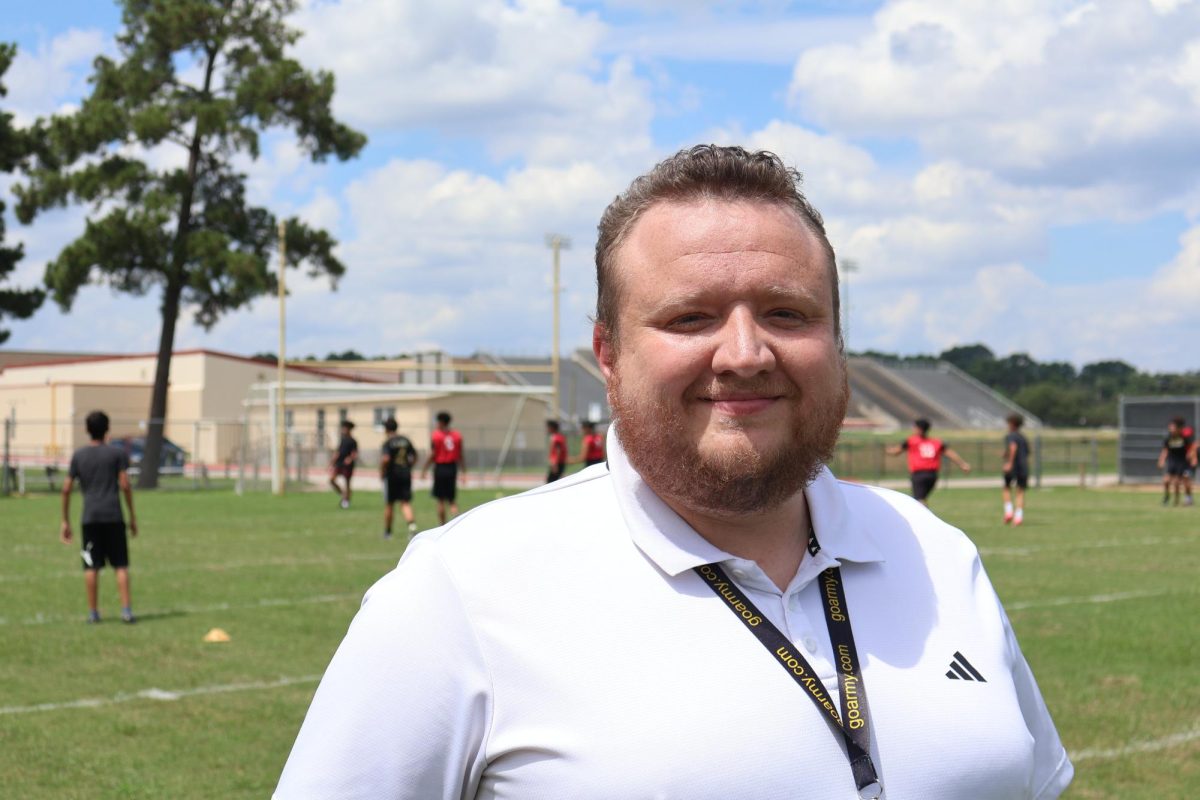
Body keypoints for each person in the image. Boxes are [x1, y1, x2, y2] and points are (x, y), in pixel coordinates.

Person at [276, 145, 1072, 799]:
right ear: (609, 355)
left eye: (787, 313)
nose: (746, 354)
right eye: (690, 317)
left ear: (837, 341)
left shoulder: (936, 554)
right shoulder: (460, 593)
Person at [60, 410, 139, 624]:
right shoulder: (117, 455)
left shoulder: (79, 456)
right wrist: (132, 515)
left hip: (90, 517)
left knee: (91, 565)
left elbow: (66, 489)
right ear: (107, 429)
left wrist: (65, 520)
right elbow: (125, 484)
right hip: (114, 515)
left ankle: (94, 613)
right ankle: (126, 611)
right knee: (120, 564)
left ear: (87, 430)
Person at [886, 418, 971, 505]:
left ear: (918, 428)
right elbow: (950, 453)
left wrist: (888, 450)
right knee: (921, 499)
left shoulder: (912, 440)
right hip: (932, 475)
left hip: (919, 475)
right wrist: (962, 464)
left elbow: (895, 452)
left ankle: (923, 517)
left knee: (919, 501)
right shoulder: (936, 442)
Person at [421, 411, 464, 525]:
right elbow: (460, 455)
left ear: (441, 422)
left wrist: (424, 468)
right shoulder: (457, 435)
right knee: (451, 500)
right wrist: (464, 471)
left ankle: (442, 526)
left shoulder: (436, 435)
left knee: (440, 500)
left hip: (440, 468)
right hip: (452, 468)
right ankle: (457, 522)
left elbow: (433, 454)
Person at [380, 417, 418, 539]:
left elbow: (386, 459)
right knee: (405, 503)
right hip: (405, 473)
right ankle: (412, 528)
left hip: (392, 475)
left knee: (390, 504)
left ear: (386, 429)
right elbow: (414, 455)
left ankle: (388, 532)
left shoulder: (388, 442)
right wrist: (409, 466)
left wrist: (382, 471)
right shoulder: (405, 440)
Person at [1001, 413, 1031, 525]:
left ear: (1012, 424)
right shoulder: (1023, 438)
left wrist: (1009, 463)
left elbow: (1013, 447)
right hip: (1024, 467)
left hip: (1014, 466)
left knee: (1006, 488)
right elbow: (1027, 453)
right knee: (1020, 492)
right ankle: (1018, 517)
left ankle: (1009, 512)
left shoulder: (1011, 435)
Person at [1157, 417, 1193, 506]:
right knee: (1166, 481)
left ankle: (1181, 500)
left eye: (1173, 428)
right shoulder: (1168, 438)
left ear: (1178, 429)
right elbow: (1165, 450)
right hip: (1172, 461)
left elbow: (1191, 448)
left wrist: (1192, 457)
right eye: (1170, 428)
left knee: (1181, 482)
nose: (1171, 430)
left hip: (1183, 462)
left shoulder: (1184, 438)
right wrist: (1161, 460)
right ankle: (1166, 497)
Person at [329, 420, 357, 509]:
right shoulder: (342, 440)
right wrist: (332, 461)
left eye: (345, 428)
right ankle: (343, 494)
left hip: (348, 465)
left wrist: (350, 459)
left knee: (347, 483)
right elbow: (338, 452)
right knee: (332, 480)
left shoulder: (353, 441)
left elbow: (354, 453)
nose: (343, 430)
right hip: (339, 463)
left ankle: (346, 501)